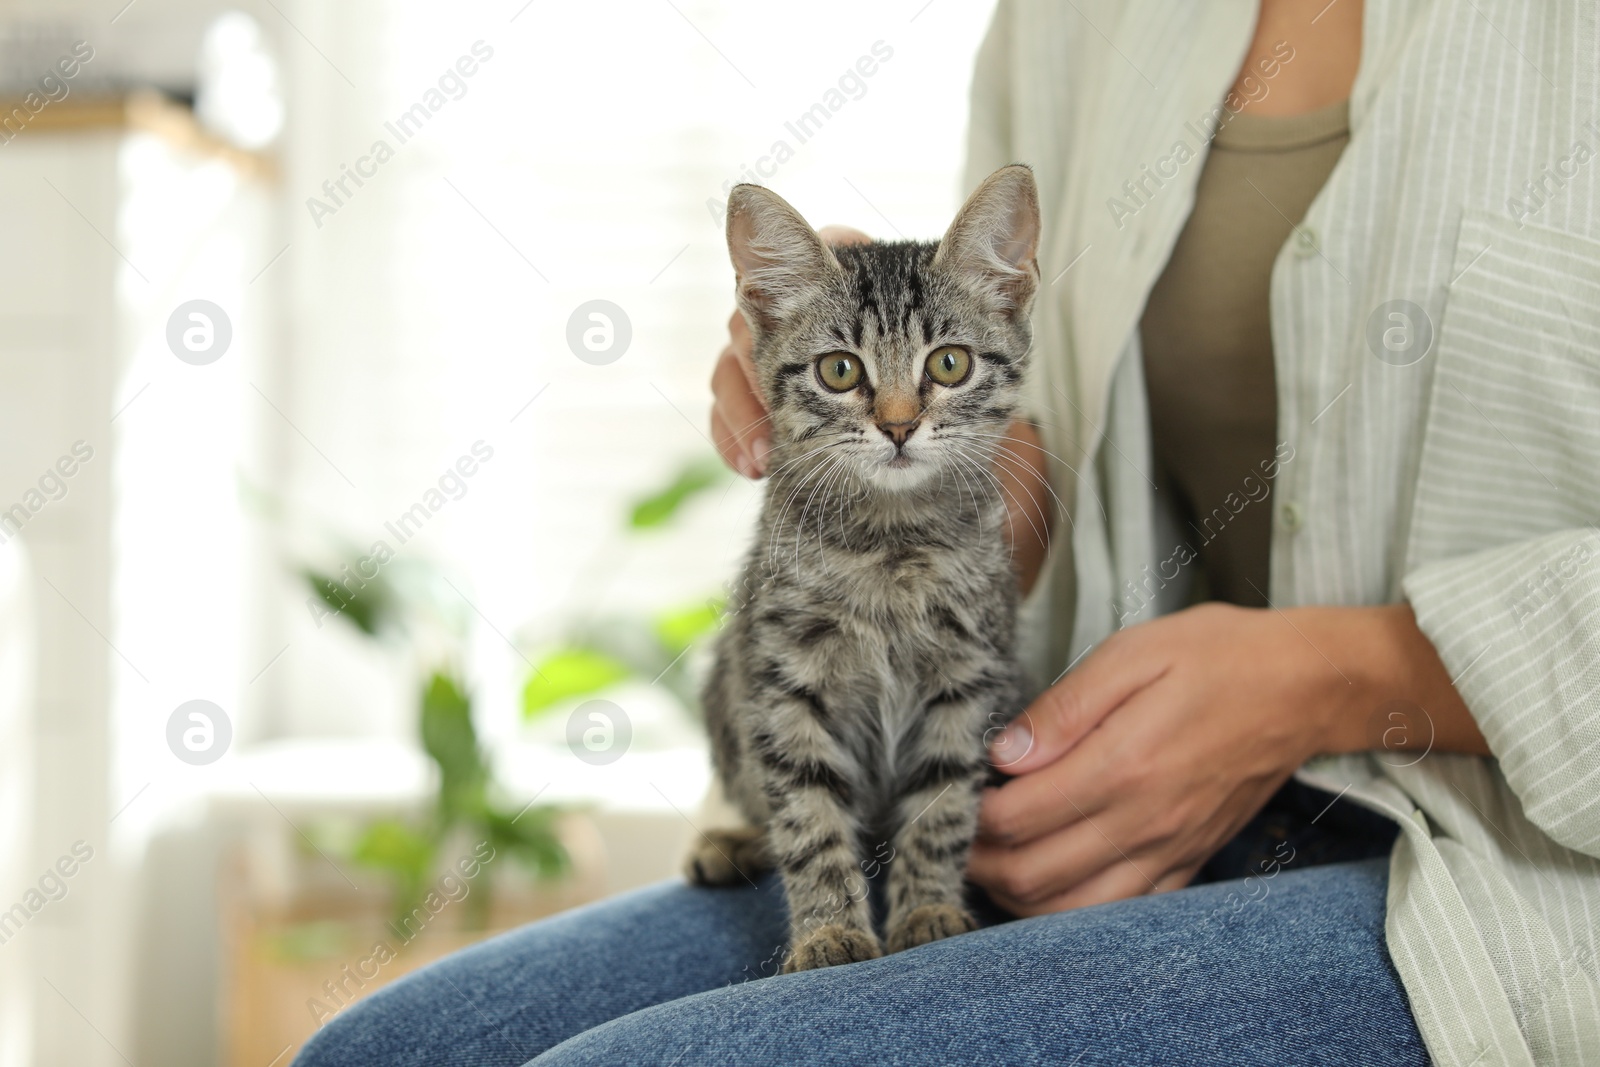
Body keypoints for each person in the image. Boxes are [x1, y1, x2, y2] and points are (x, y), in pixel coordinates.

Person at [296, 1, 1600, 1063]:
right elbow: (1040, 440)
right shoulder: (1066, 22)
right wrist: (864, 381)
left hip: (1507, 863)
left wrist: (1332, 678)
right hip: (1108, 815)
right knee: (389, 1054)